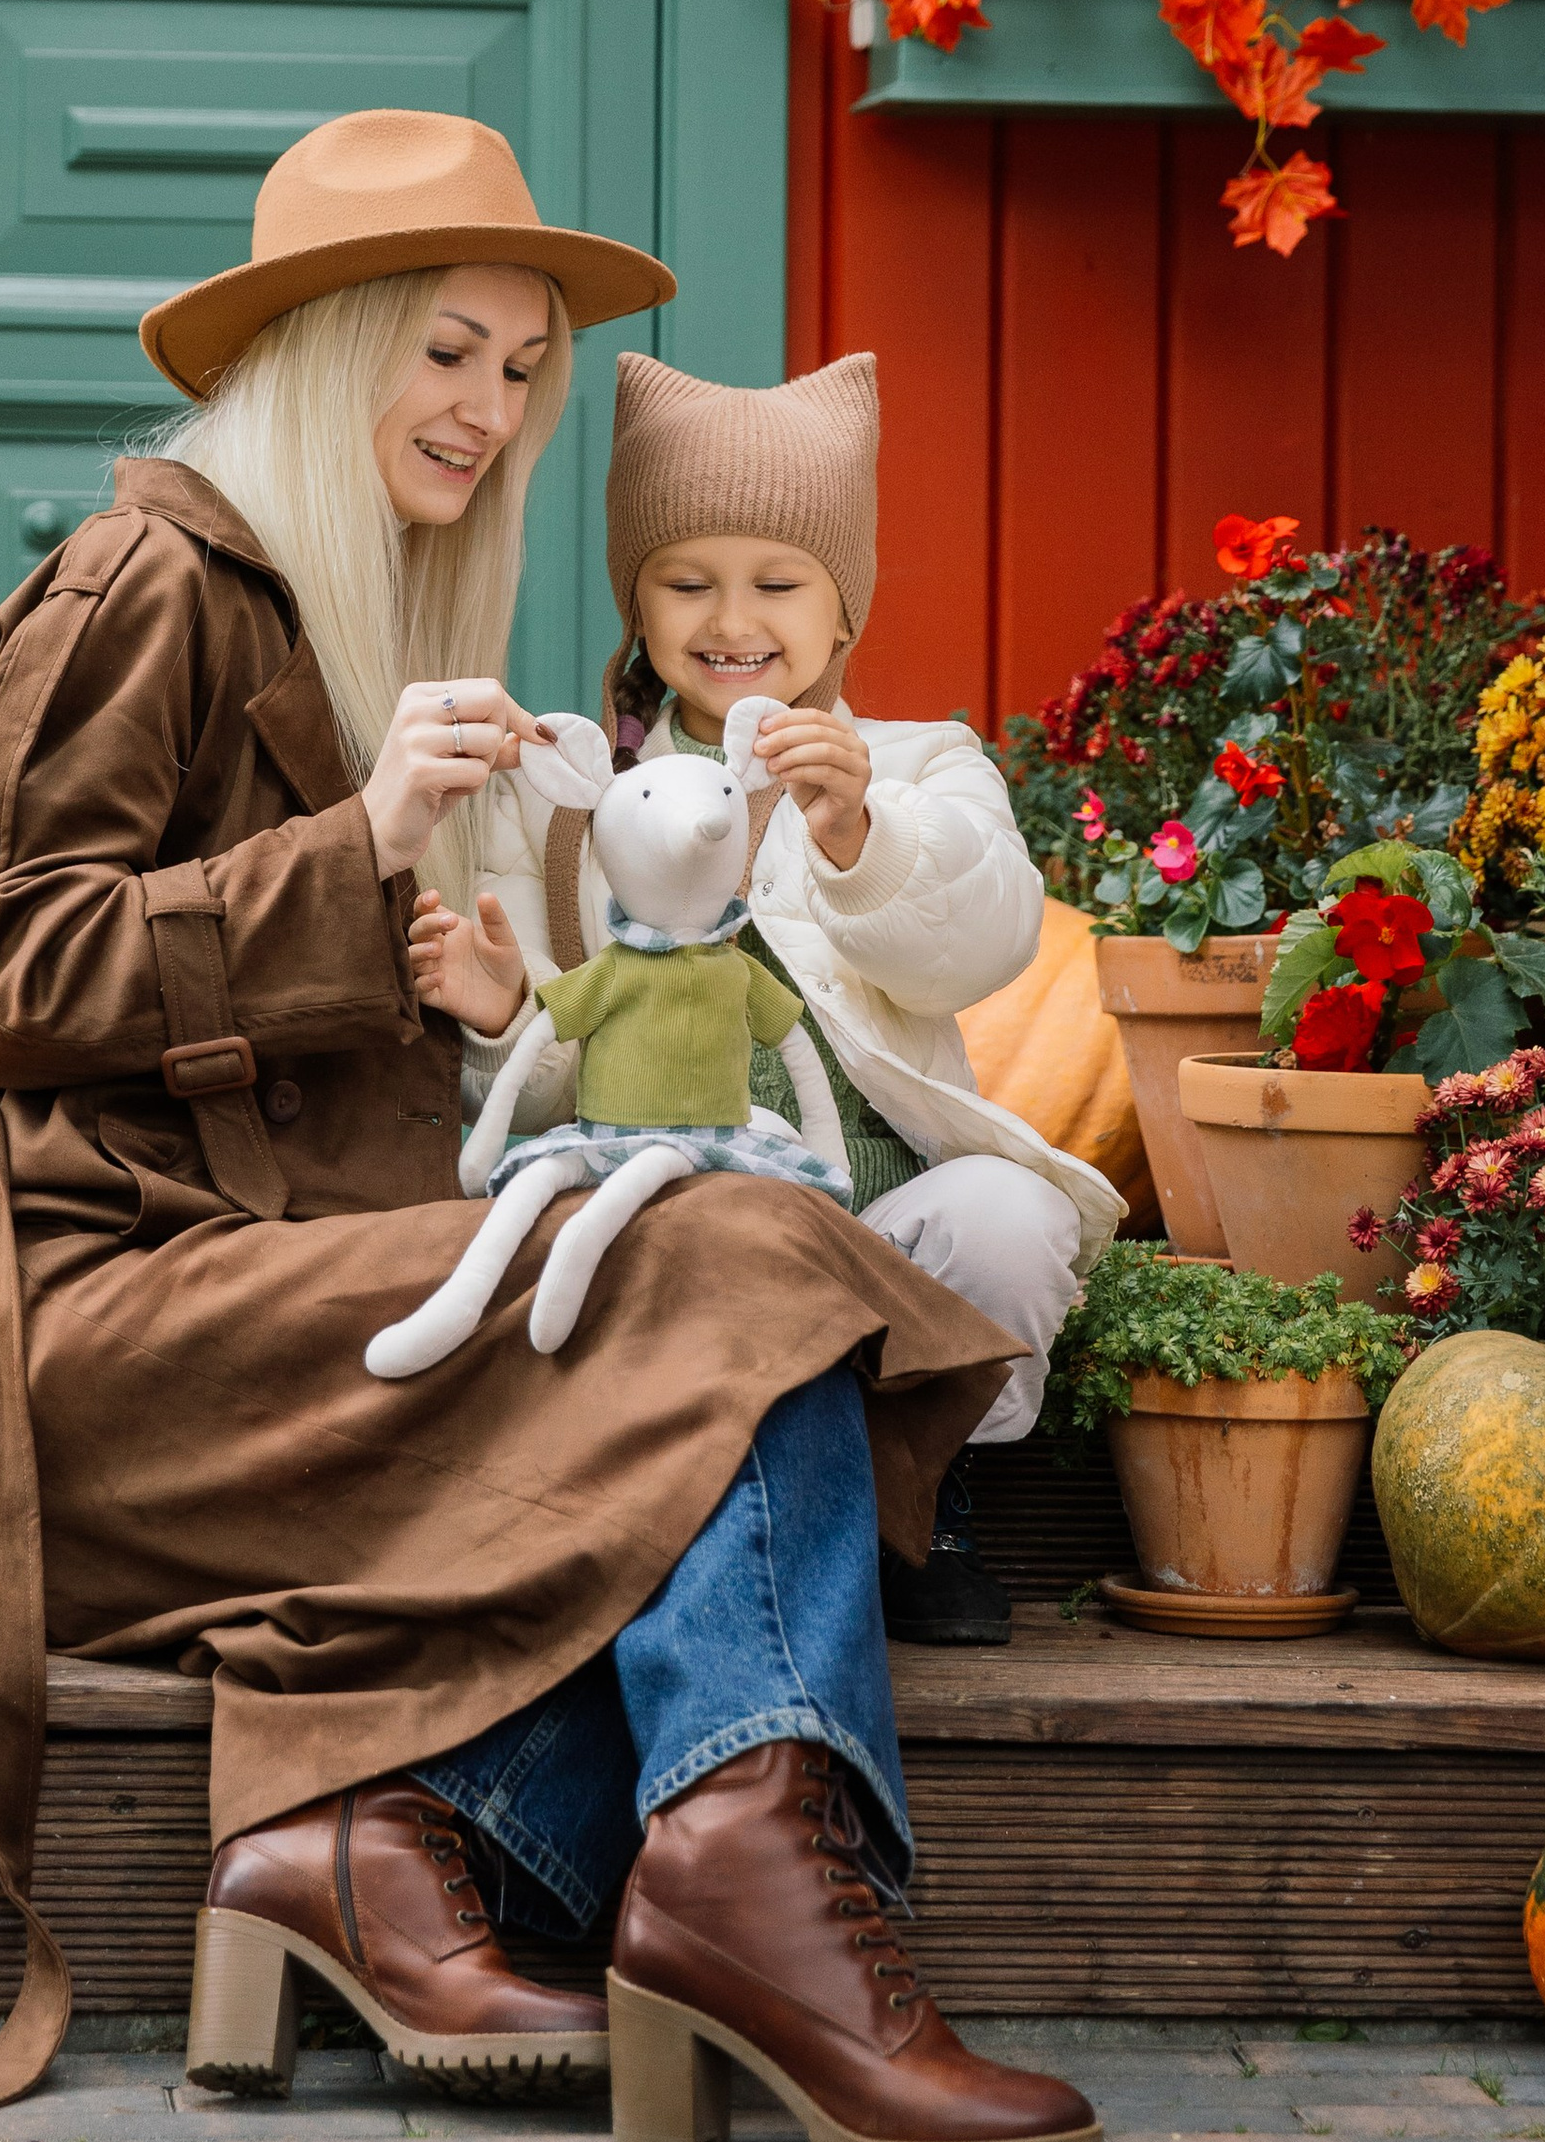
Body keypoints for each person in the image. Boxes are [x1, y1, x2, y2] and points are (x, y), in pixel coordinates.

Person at [0, 110, 1102, 2142]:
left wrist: (488, 996)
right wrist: (357, 855)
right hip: (50, 1339)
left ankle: (394, 1839)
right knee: (731, 1262)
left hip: (237, 1306)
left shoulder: (363, 611)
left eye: (519, 369)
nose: (486, 406)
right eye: (442, 349)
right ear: (329, 344)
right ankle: (750, 1884)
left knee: (695, 1252)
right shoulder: (139, 576)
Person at [415, 351, 1124, 1645]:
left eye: (778, 581)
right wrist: (504, 1006)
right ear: (637, 600)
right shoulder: (577, 799)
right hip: (687, 1227)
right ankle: (725, 1498)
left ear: (842, 609)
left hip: (874, 1227)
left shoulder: (915, 762)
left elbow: (984, 938)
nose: (730, 614)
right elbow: (567, 1083)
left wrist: (861, 829)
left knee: (1014, 1221)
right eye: (686, 580)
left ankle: (919, 1487)